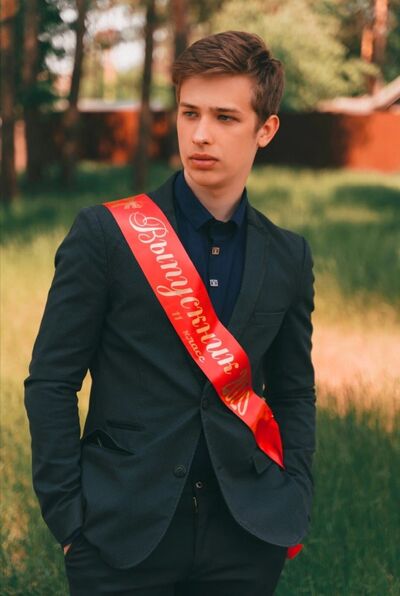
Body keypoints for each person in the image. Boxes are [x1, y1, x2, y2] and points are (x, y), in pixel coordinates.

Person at [24, 30, 316, 596]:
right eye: (189, 113)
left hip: (246, 536)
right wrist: (69, 522)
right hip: (118, 534)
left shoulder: (288, 255)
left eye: (225, 117)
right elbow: (52, 381)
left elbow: (295, 391)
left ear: (266, 129)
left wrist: (295, 493)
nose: (201, 134)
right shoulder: (105, 234)